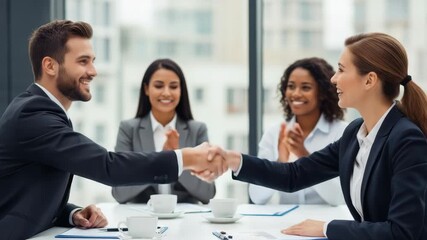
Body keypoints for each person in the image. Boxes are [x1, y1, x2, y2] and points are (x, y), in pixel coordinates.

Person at [0, 20, 224, 240]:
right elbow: (109, 167)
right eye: (83, 61)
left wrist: (71, 213)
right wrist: (186, 157)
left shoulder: (42, 110)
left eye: (93, 61)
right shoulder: (33, 115)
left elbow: (29, 190)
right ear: (50, 66)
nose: (93, 71)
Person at [210, 33, 427, 239]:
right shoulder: (355, 133)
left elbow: (401, 233)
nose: (334, 79)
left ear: (369, 80)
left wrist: (326, 228)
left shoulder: (406, 140)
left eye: (341, 70)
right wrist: (234, 160)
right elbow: (294, 175)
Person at [112, 58, 215, 204]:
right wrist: (163, 160)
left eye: (173, 86)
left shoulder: (197, 130)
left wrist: (180, 159)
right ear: (147, 89)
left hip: (185, 219)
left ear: (181, 90)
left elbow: (208, 193)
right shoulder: (129, 129)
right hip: (143, 217)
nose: (166, 93)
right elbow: (119, 192)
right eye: (159, 86)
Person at [249, 57, 347, 206]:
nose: (295, 94)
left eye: (306, 87)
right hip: (285, 225)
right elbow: (257, 197)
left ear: (322, 93)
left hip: (324, 224)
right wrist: (280, 164)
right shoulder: (274, 133)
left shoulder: (342, 133)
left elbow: (339, 198)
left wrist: (304, 156)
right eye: (291, 86)